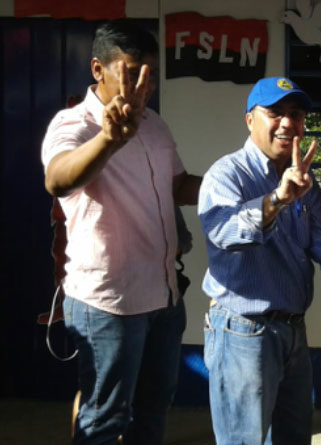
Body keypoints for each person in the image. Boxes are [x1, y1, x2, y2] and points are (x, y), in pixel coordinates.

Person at [198, 77, 321, 445]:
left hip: (291, 330)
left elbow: (320, 234)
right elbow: (224, 234)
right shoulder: (227, 174)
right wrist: (277, 199)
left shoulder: (306, 179)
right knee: (246, 440)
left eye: (296, 114)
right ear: (249, 119)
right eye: (275, 112)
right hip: (243, 329)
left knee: (295, 437)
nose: (287, 123)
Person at [40, 20, 201, 444]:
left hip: (164, 299)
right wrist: (108, 141)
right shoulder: (73, 124)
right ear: (98, 69)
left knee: (153, 410)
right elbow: (58, 180)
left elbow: (178, 185)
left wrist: (240, 184)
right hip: (109, 304)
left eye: (150, 74)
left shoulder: (154, 124)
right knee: (104, 418)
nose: (144, 86)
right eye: (132, 73)